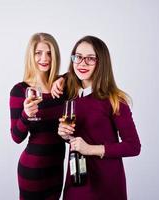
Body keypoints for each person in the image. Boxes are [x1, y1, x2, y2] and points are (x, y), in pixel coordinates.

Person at [56, 36, 141, 200]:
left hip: (105, 184)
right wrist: (65, 135)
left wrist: (91, 149)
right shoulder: (71, 96)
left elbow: (133, 146)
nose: (82, 63)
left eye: (90, 59)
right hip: (76, 180)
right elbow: (78, 136)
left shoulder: (115, 100)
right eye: (78, 57)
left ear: (101, 63)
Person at [9, 33, 66, 200]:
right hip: (33, 169)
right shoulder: (19, 91)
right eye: (38, 53)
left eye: (49, 53)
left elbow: (81, 75)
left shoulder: (61, 87)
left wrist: (63, 78)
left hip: (57, 168)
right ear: (31, 56)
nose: (44, 58)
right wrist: (26, 115)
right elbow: (16, 137)